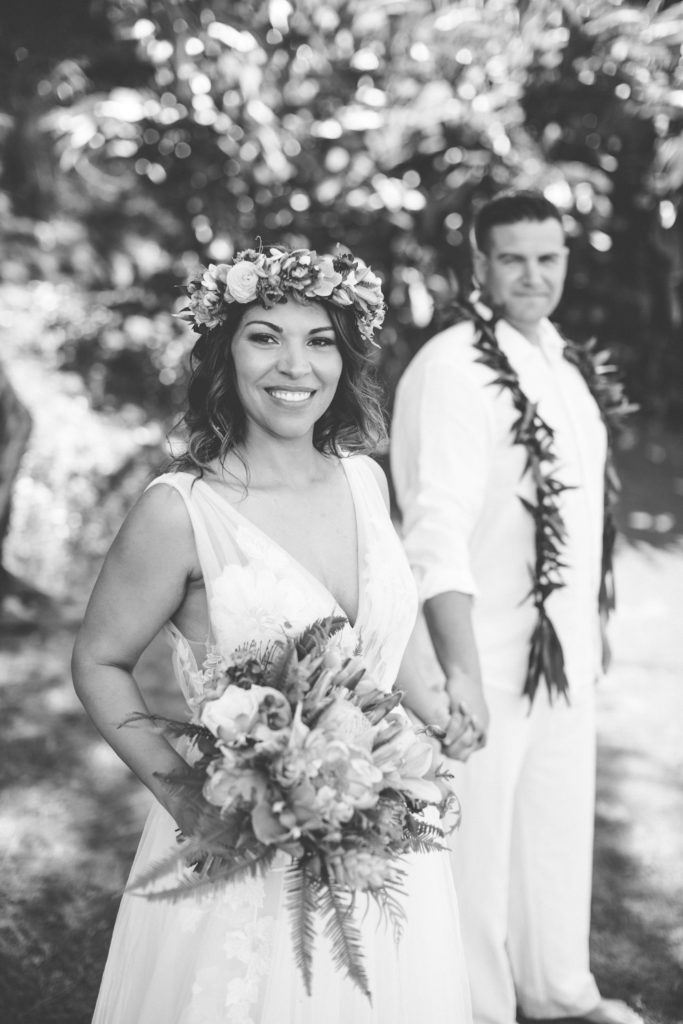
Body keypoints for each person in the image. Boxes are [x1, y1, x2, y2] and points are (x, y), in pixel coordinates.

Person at [72, 244, 473, 1024]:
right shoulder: (180, 510)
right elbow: (98, 660)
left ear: (344, 355)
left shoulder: (365, 476)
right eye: (265, 335)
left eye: (319, 339)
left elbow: (390, 628)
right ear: (224, 351)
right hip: (241, 851)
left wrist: (439, 705)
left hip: (381, 844)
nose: (295, 365)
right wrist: (191, 801)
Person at [391, 191, 641, 1024]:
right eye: (512, 258)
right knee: (474, 858)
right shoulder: (454, 368)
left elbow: (578, 519)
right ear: (479, 266)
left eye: (548, 257)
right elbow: (434, 531)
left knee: (554, 837)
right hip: (485, 655)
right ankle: (475, 1010)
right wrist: (458, 668)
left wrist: (590, 627)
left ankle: (558, 992)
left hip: (561, 652)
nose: (533, 275)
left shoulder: (563, 362)